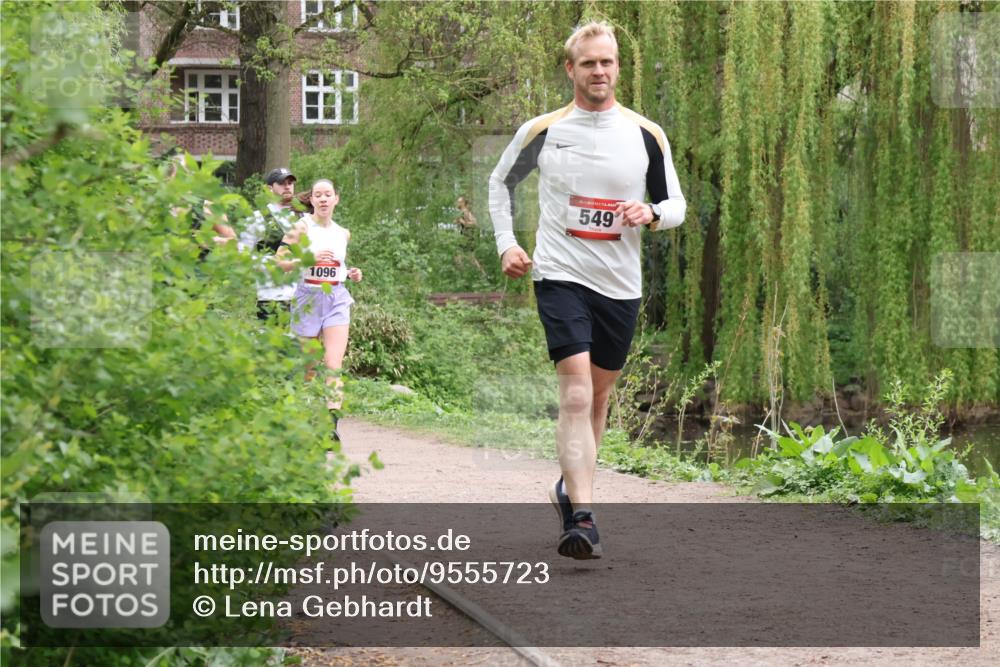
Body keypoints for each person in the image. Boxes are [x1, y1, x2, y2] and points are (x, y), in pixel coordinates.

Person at [488, 21, 686, 560]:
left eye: (608, 62)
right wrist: (507, 244)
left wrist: (651, 213)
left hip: (619, 285)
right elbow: (500, 184)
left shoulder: (646, 134)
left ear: (618, 67)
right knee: (575, 391)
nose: (600, 71)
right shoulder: (544, 130)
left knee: (598, 397)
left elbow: (677, 205)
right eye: (589, 63)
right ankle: (583, 517)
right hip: (559, 274)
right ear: (570, 69)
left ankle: (569, 487)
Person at [276, 179, 362, 442]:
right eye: (318, 195)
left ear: (336, 199)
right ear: (311, 200)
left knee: (333, 365)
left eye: (328, 194)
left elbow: (336, 265)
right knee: (307, 369)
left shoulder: (343, 233)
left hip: (336, 298)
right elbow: (279, 261)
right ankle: (294, 421)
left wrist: (351, 273)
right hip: (308, 298)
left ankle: (330, 428)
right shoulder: (301, 227)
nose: (323, 199)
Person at [240, 167, 301, 320]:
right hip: (271, 297)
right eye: (281, 183)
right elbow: (242, 254)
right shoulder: (257, 218)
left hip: (303, 297)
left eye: (290, 183)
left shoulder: (305, 218)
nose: (287, 187)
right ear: (269, 188)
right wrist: (271, 263)